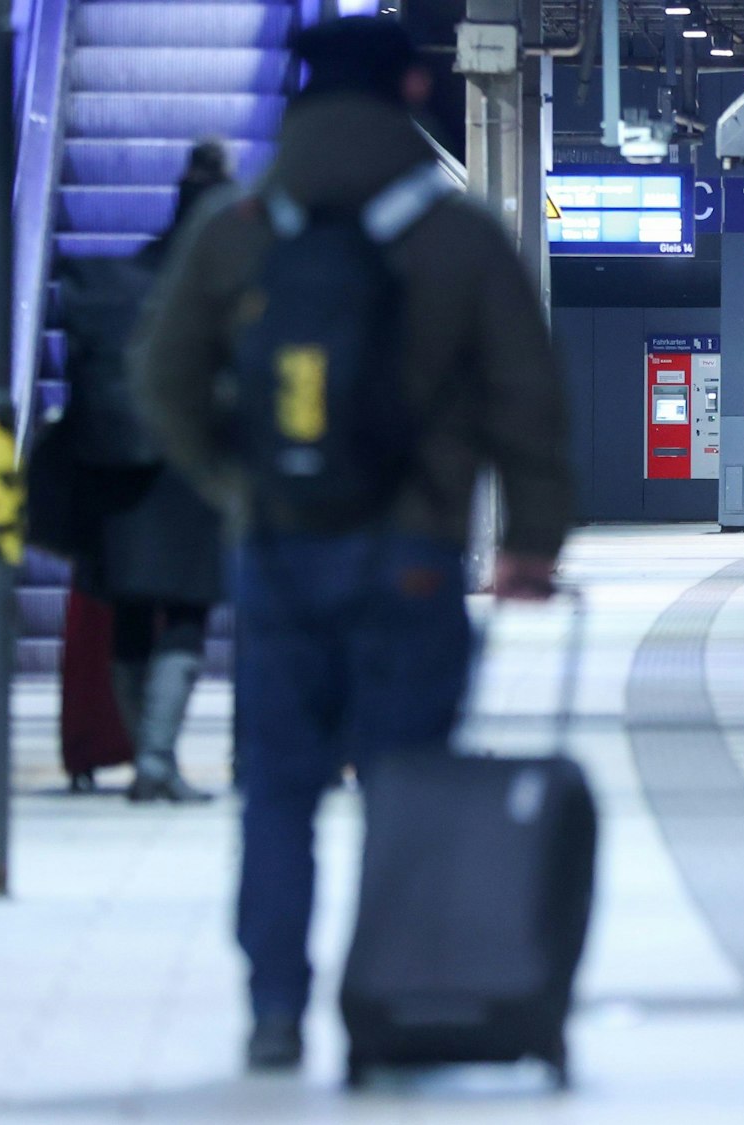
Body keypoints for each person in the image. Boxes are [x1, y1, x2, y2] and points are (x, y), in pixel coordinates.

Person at [131, 16, 572, 1071]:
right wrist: (530, 541)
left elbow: (161, 380)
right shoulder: (455, 232)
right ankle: (396, 1007)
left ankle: (274, 1011)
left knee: (277, 792)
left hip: (277, 549)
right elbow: (526, 395)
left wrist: (236, 485)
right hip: (412, 554)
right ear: (412, 91)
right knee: (407, 787)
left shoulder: (240, 227)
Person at [58, 140, 234, 803]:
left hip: (116, 470)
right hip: (191, 471)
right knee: (187, 612)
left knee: (131, 612)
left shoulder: (114, 282)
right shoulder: (229, 286)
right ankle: (156, 759)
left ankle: (147, 757)